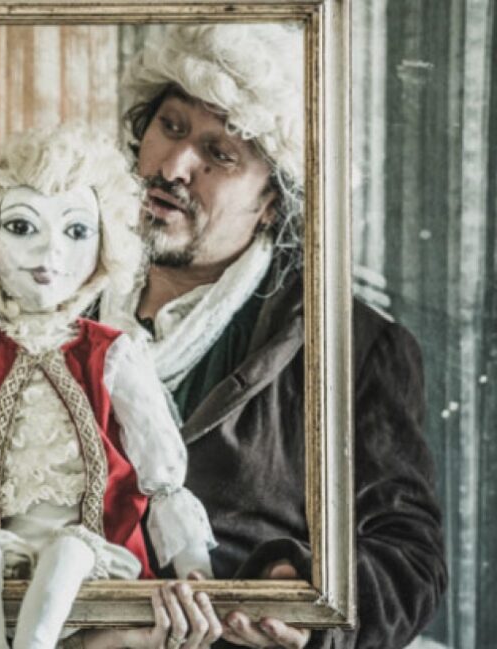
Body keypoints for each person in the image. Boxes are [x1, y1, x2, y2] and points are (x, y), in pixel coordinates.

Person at [98, 23, 446, 649]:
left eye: (219, 154)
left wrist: (307, 594)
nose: (174, 166)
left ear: (273, 202)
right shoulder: (53, 293)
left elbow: (409, 561)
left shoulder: (350, 346)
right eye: (170, 127)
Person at [0, 126, 217, 649]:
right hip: (2, 552)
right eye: (21, 227)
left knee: (69, 551)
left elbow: (161, 475)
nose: (49, 251)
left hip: (97, 558)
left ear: (104, 244)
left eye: (76, 231)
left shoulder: (113, 353)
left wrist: (196, 571)